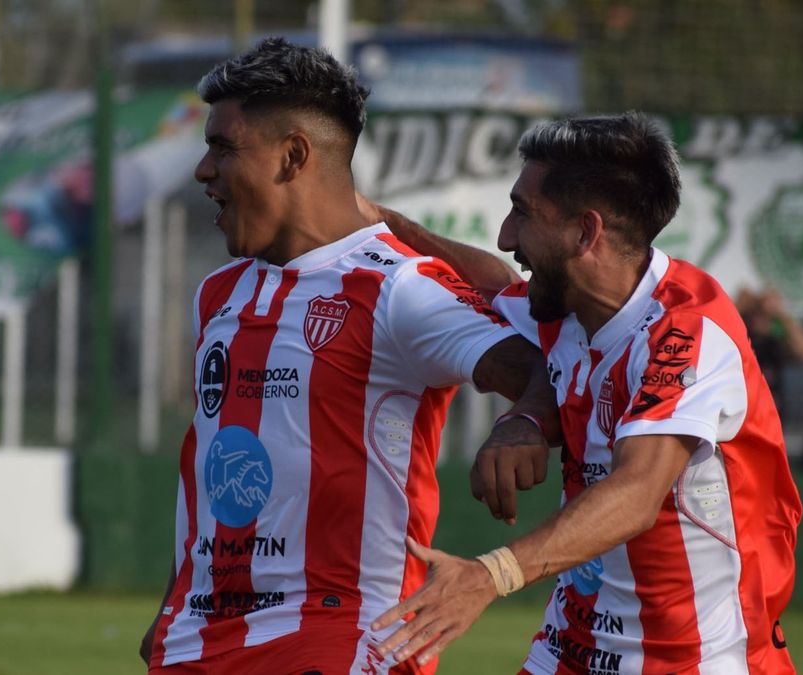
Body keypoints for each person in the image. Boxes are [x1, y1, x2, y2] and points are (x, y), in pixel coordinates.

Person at [139, 38, 559, 675]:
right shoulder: (218, 293)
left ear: (293, 156)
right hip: (199, 635)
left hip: (344, 633)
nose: (203, 170)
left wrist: (521, 423)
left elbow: (543, 370)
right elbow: (208, 461)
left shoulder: (398, 287)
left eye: (223, 148)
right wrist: (174, 601)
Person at [366, 114, 803, 674]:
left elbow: (637, 491)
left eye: (523, 213)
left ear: (584, 233)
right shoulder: (567, 307)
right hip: (567, 649)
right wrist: (379, 221)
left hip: (690, 661)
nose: (506, 236)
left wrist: (490, 575)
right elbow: (491, 283)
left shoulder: (687, 331)